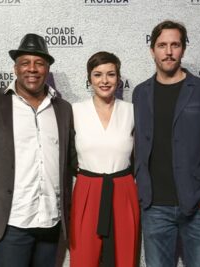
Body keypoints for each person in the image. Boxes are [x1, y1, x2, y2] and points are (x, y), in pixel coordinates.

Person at [132, 20, 200, 266]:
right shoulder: (140, 93)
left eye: (175, 45)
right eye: (162, 45)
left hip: (198, 205)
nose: (168, 51)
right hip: (154, 206)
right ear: (152, 50)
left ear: (183, 49)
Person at [0, 33, 75, 267]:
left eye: (39, 63)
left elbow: (72, 160)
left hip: (50, 224)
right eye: (25, 63)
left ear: (48, 68)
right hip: (10, 224)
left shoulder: (63, 109)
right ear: (15, 68)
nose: (32, 69)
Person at [70, 51, 139, 267]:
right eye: (98, 74)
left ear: (118, 79)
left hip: (123, 189)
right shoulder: (74, 111)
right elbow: (67, 156)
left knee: (124, 258)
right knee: (83, 258)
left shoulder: (132, 111)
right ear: (89, 78)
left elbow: (141, 155)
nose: (104, 80)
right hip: (87, 189)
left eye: (111, 74)